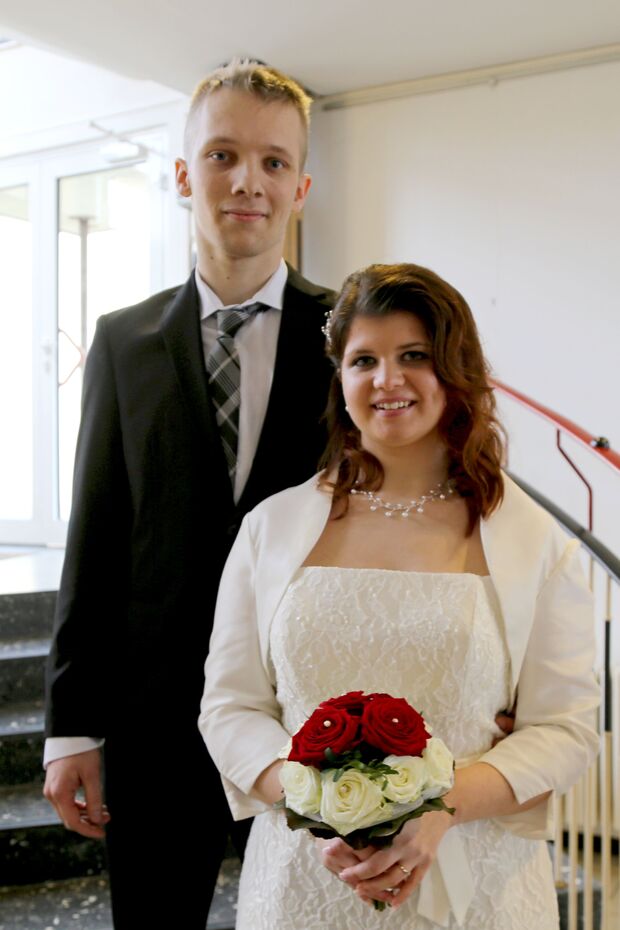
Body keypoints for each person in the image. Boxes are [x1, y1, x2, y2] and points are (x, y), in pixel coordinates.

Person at [199, 262, 600, 929]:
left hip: (476, 879)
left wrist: (441, 808)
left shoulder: (528, 538)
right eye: (364, 360)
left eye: (414, 355)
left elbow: (566, 727)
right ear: (341, 379)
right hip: (307, 872)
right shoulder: (274, 528)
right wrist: (314, 802)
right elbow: (230, 706)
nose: (387, 380)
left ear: (456, 369)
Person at [43, 60, 334, 930]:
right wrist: (71, 725)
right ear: (183, 176)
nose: (248, 181)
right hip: (153, 721)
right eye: (222, 155)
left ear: (302, 186)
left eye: (274, 162)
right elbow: (94, 536)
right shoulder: (121, 343)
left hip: (308, 717)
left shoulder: (353, 337)